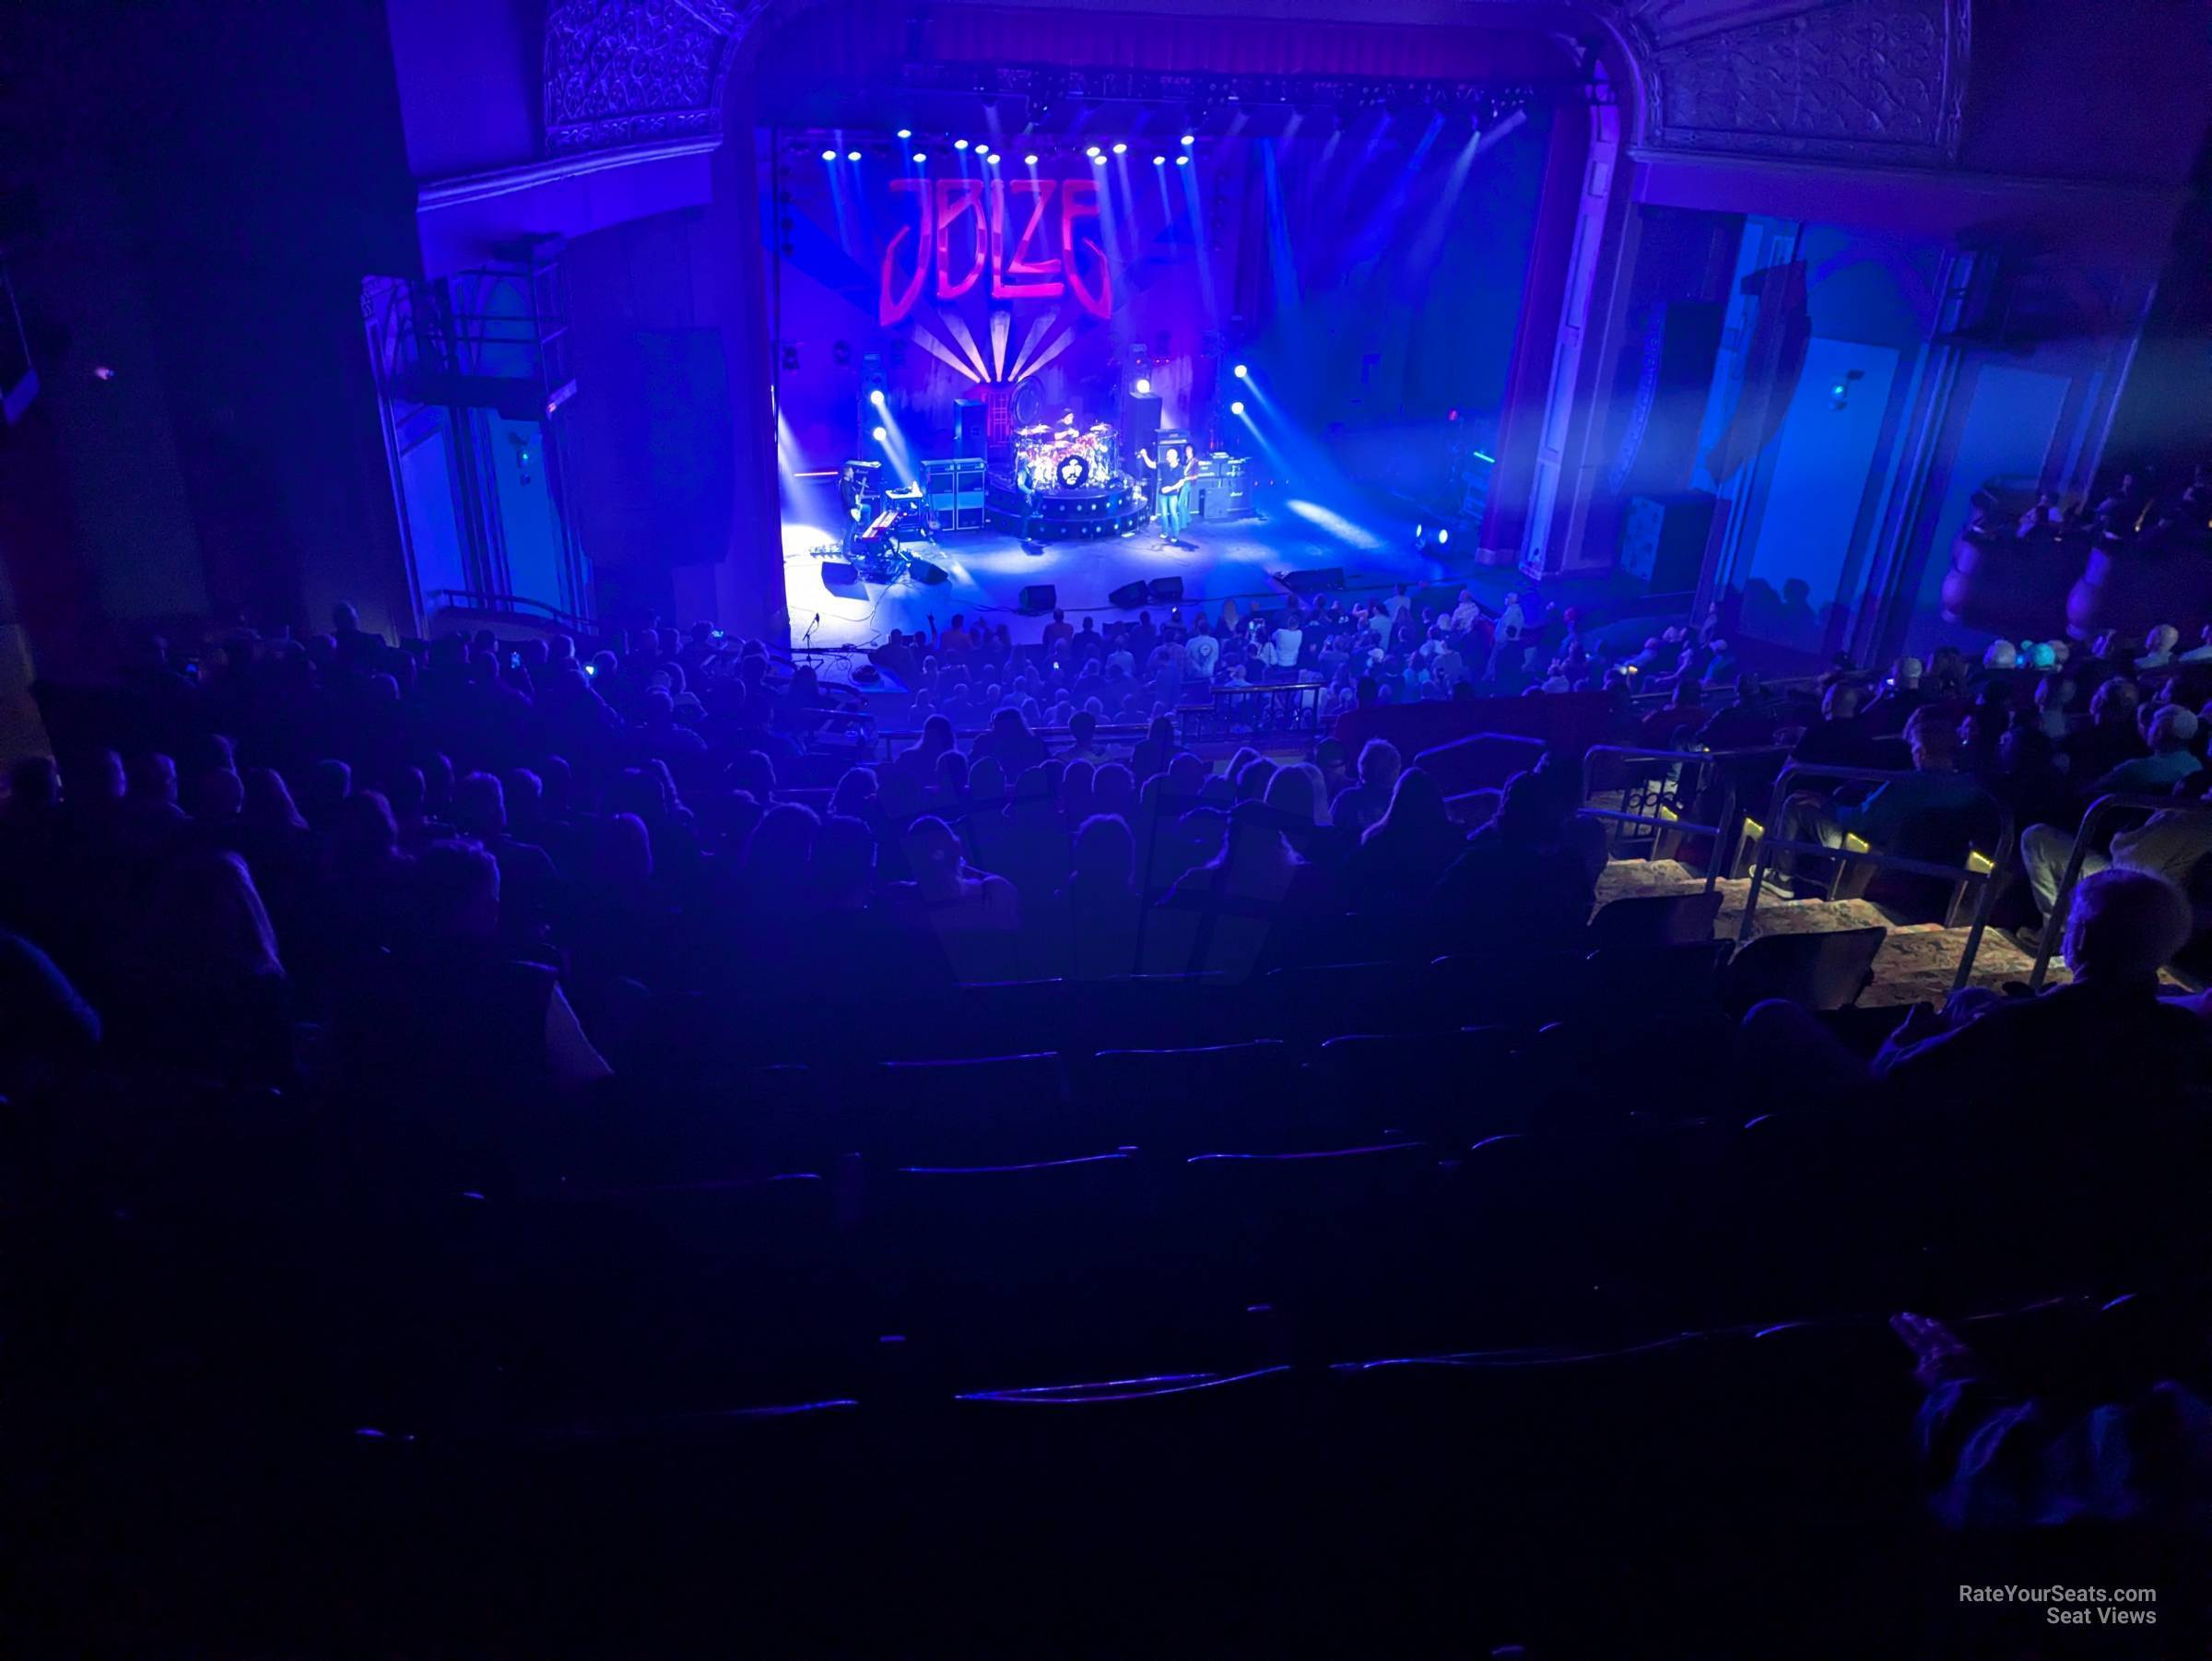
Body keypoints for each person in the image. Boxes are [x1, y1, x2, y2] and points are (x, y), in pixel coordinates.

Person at [2086, 703, 2202, 796]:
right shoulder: (2197, 766)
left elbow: (2090, 791)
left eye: (2152, 726)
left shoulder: (2137, 768)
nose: (2148, 730)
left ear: (2159, 733)